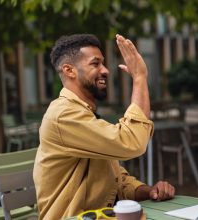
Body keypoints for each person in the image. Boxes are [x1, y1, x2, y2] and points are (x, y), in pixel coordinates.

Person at [33, 34, 175, 219]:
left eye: (103, 63)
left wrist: (148, 191)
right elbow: (132, 142)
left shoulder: (82, 112)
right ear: (69, 70)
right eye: (95, 63)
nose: (106, 70)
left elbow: (116, 178)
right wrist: (139, 78)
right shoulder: (64, 115)